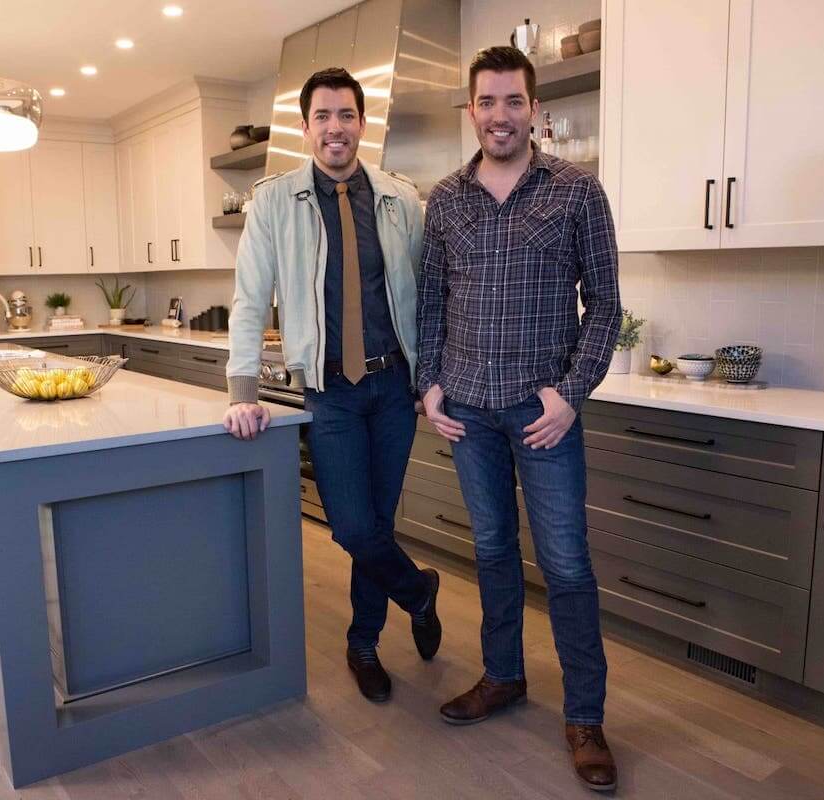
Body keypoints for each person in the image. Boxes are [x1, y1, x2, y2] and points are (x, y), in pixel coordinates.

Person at [416, 46, 622, 793]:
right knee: (494, 552)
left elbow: (605, 305)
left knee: (566, 566)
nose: (499, 115)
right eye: (486, 101)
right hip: (466, 408)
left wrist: (572, 393)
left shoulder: (575, 192)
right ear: (471, 110)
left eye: (512, 101)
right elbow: (431, 302)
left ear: (533, 109)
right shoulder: (444, 199)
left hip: (545, 414)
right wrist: (428, 386)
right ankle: (503, 676)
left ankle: (586, 717)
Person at [224, 67, 442, 703]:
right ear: (306, 127)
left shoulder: (402, 200)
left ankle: (364, 642)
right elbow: (248, 300)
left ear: (361, 124)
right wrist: (243, 392)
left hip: (393, 387)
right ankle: (419, 591)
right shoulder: (273, 201)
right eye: (322, 117)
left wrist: (431, 375)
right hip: (332, 392)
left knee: (375, 521)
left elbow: (427, 296)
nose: (335, 129)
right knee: (351, 526)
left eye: (346, 115)